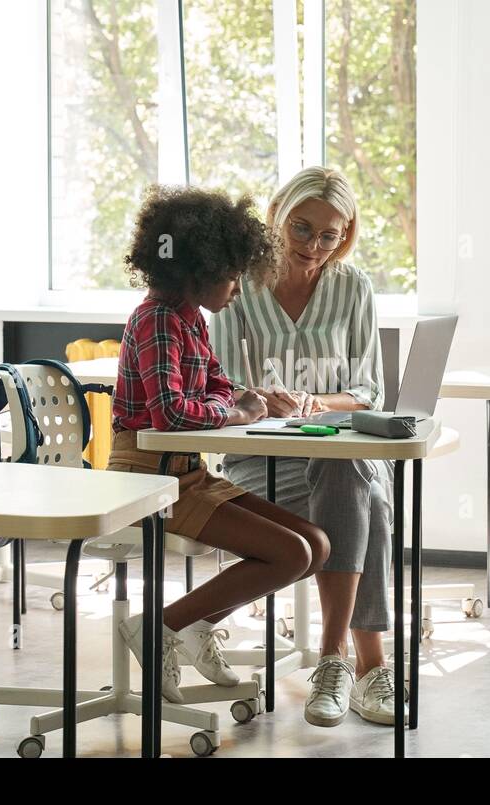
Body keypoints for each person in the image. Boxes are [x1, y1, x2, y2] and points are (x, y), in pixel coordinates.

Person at [109, 185, 331, 704]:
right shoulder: (157, 321)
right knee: (290, 553)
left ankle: (189, 626)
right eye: (232, 275)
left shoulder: (191, 319)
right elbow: (170, 411)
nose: (237, 288)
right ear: (199, 270)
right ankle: (162, 625)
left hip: (186, 472)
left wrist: (246, 398)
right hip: (148, 480)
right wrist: (236, 411)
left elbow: (214, 383)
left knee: (315, 546)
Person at [209, 166, 397, 727]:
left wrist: (317, 403)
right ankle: (367, 668)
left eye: (330, 235)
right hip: (258, 461)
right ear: (277, 218)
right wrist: (264, 398)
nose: (313, 247)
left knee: (350, 477)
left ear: (346, 235)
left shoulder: (353, 287)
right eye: (301, 229)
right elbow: (221, 383)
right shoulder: (238, 283)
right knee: (370, 505)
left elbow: (368, 390)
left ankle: (334, 660)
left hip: (336, 452)